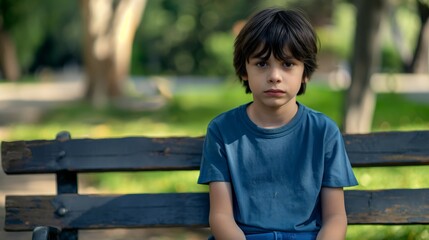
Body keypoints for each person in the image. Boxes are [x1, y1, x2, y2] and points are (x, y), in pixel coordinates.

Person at [198, 7, 358, 240]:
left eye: (288, 64)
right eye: (262, 64)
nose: (275, 76)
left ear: (305, 72)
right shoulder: (222, 131)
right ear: (244, 69)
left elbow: (335, 217)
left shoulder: (323, 132)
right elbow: (221, 216)